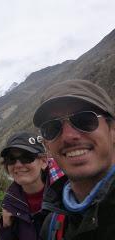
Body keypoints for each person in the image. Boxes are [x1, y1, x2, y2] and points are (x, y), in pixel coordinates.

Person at [33, 79, 115, 240]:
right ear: (47, 146)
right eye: (52, 128)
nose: (69, 136)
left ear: (112, 130)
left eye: (85, 120)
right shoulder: (52, 225)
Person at [0, 131, 48, 240]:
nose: (18, 165)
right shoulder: (10, 204)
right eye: (11, 159)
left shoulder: (65, 197)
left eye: (26, 157)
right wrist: (6, 227)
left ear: (44, 161)